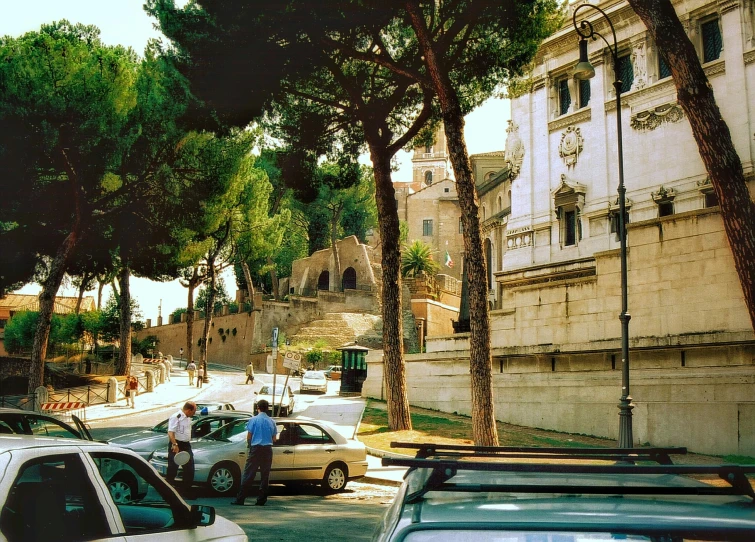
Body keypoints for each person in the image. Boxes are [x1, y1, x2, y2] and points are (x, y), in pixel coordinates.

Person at [231, 399, 277, 506]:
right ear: (267, 408)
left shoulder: (254, 420)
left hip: (256, 449)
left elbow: (249, 436)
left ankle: (241, 498)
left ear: (258, 408)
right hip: (267, 449)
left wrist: (250, 446)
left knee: (248, 474)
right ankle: (261, 499)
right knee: (265, 475)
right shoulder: (272, 421)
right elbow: (274, 439)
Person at [166, 401, 197, 497]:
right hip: (176, 444)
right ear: (188, 410)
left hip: (186, 445)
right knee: (172, 468)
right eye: (194, 411)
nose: (194, 413)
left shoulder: (187, 418)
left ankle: (186, 492)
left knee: (189, 469)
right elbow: (171, 432)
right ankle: (167, 492)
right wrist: (175, 444)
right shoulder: (176, 417)